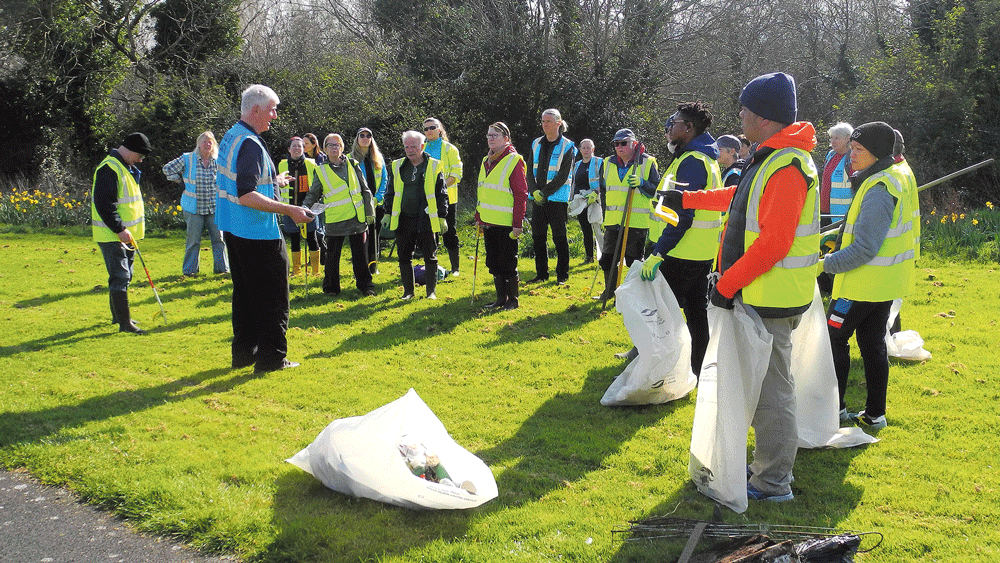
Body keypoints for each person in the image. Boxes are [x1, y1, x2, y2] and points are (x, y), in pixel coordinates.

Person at [660, 72, 820, 502]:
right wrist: (687, 199)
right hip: (761, 292)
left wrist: (727, 284)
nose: (740, 115)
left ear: (765, 117)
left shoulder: (787, 165)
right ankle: (766, 468)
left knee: (772, 392)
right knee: (764, 388)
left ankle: (772, 482)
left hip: (771, 296)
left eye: (746, 109)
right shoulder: (770, 157)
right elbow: (739, 198)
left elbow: (774, 242)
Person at [820, 121, 918, 431]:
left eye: (858, 149)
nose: (851, 155)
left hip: (860, 285)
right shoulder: (895, 175)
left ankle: (835, 410)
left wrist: (822, 265)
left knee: (834, 339)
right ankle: (876, 414)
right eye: (851, 148)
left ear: (876, 152)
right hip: (885, 283)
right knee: (873, 343)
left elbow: (863, 249)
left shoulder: (878, 188)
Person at [216, 84, 314, 374]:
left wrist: (274, 181)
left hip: (234, 230)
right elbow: (246, 194)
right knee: (273, 298)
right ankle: (272, 359)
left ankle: (245, 353)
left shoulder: (232, 135)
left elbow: (244, 182)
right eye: (272, 109)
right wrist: (290, 210)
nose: (274, 115)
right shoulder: (250, 143)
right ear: (256, 110)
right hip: (257, 233)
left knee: (245, 296)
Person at [641, 102, 723, 378]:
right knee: (697, 313)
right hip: (698, 252)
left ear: (688, 128)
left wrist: (658, 252)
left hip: (680, 253)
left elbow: (682, 216)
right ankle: (698, 370)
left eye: (674, 122)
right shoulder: (702, 158)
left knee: (662, 315)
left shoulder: (691, 162)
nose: (669, 126)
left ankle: (661, 373)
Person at [91, 132, 152, 334]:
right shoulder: (109, 168)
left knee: (125, 275)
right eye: (140, 155)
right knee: (120, 276)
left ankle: (118, 317)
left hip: (126, 235)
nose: (141, 160)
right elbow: (104, 204)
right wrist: (119, 229)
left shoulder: (126, 167)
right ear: (131, 150)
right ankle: (125, 324)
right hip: (113, 235)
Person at [302, 133, 376, 297]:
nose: (334, 147)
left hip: (357, 218)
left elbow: (365, 189)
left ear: (342, 147)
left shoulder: (353, 163)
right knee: (332, 257)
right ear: (325, 148)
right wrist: (304, 209)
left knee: (360, 256)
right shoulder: (320, 170)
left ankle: (366, 286)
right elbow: (313, 194)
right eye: (330, 145)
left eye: (337, 144)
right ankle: (331, 289)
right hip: (335, 220)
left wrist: (370, 211)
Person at [383, 130, 449, 299]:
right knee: (404, 256)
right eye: (407, 147)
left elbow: (442, 193)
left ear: (422, 146)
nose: (410, 150)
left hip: (426, 218)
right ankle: (408, 292)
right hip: (404, 218)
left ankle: (431, 292)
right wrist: (388, 212)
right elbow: (390, 191)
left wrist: (442, 216)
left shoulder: (434, 165)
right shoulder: (397, 165)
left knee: (430, 255)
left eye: (413, 146)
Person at [596, 128, 659, 300]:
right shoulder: (607, 162)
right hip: (613, 221)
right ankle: (609, 292)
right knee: (607, 259)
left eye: (624, 143)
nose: (619, 147)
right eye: (616, 143)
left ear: (634, 144)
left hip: (636, 221)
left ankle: (634, 296)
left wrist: (642, 183)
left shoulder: (647, 162)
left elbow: (656, 190)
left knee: (633, 262)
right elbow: (604, 190)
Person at [475, 122, 528, 310]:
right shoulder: (485, 161)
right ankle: (500, 298)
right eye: (489, 135)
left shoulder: (514, 160)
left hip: (506, 224)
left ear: (506, 139)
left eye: (495, 135)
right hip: (488, 221)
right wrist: (478, 215)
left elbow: (521, 193)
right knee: (493, 262)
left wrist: (517, 222)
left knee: (507, 263)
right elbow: (483, 191)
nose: (490, 138)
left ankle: (512, 300)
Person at [162, 131, 228, 276]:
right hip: (193, 208)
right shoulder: (188, 158)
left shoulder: (219, 160)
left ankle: (222, 269)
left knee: (219, 240)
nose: (207, 144)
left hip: (214, 207)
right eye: (204, 141)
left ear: (214, 145)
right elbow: (167, 169)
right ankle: (190, 271)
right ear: (198, 143)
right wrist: (179, 181)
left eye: (210, 142)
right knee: (193, 242)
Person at [525, 109, 576, 284]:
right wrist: (533, 191)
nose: (545, 124)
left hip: (557, 199)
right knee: (538, 237)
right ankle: (541, 274)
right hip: (537, 199)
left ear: (558, 124)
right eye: (543, 121)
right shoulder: (536, 143)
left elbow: (563, 175)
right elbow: (529, 169)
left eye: (548, 121)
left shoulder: (568, 146)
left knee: (559, 237)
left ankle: (562, 275)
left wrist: (544, 192)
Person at [422, 117, 464, 276]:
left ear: (440, 129)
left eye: (432, 127)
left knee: (449, 232)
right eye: (426, 129)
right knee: (428, 233)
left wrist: (440, 188)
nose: (429, 131)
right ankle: (431, 266)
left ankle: (455, 269)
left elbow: (457, 174)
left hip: (447, 199)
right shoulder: (421, 148)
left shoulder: (449, 149)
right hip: (426, 198)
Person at [276, 136, 319, 276]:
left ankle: (315, 270)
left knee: (312, 237)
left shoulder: (312, 164)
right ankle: (296, 270)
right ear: (289, 149)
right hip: (289, 208)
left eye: (299, 146)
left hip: (309, 208)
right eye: (294, 146)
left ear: (304, 149)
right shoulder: (282, 165)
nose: (297, 149)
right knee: (294, 238)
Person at [352, 127, 388, 275]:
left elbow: (385, 179)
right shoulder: (350, 158)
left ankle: (373, 267)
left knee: (374, 237)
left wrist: (378, 197)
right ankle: (360, 269)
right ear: (357, 139)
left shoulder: (378, 158)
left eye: (368, 136)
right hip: (359, 205)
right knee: (360, 238)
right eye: (362, 135)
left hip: (377, 204)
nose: (365, 138)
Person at [570, 138, 605, 264]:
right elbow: (573, 182)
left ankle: (605, 256)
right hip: (581, 200)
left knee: (597, 228)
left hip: (595, 199)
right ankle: (589, 257)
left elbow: (604, 180)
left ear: (593, 149)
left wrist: (596, 193)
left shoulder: (599, 162)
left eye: (588, 147)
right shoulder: (577, 165)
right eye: (583, 148)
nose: (586, 150)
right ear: (580, 149)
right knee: (585, 229)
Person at [821, 122, 854, 227]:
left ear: (847, 138)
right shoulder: (830, 154)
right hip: (824, 211)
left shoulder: (853, 158)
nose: (833, 141)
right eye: (832, 138)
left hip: (842, 214)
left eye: (837, 138)